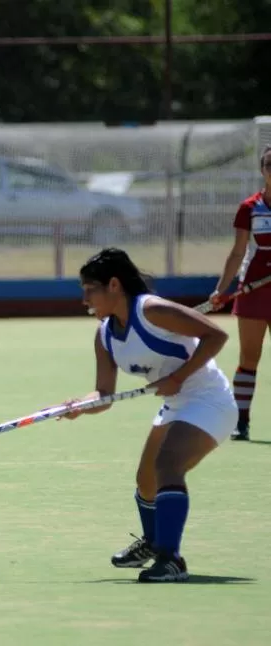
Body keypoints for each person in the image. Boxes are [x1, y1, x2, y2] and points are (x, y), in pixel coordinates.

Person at [62, 248, 234, 582]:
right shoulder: (105, 335)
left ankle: (171, 559)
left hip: (209, 398)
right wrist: (79, 405)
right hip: (175, 403)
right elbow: (104, 394)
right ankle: (155, 542)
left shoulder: (152, 310)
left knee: (167, 466)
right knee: (146, 480)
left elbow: (217, 335)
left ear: (114, 285)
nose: (84, 300)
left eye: (89, 290)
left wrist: (178, 378)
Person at [210, 144, 271, 441]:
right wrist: (220, 290)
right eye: (270, 165)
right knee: (250, 356)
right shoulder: (249, 208)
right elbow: (237, 253)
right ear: (262, 170)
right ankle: (241, 421)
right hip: (253, 290)